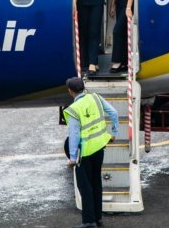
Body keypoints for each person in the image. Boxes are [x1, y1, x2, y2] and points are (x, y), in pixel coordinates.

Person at [62, 77, 118, 228]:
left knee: (85, 186)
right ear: (83, 87)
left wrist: (73, 158)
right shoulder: (95, 97)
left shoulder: (73, 110)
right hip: (100, 147)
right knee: (96, 182)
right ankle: (98, 218)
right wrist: (114, 132)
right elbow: (114, 112)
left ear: (70, 91)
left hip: (85, 153)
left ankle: (89, 221)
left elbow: (74, 136)